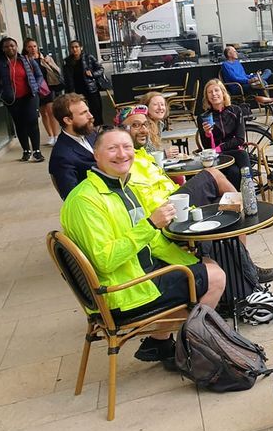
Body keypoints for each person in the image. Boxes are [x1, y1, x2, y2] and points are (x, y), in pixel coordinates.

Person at [60, 127, 226, 363]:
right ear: (96, 155)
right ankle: (192, 354)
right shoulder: (84, 201)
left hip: (135, 272)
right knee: (216, 278)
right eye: (112, 148)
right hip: (121, 292)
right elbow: (105, 260)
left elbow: (152, 242)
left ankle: (160, 343)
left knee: (207, 263)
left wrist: (191, 259)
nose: (122, 154)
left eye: (127, 147)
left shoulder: (122, 186)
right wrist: (150, 224)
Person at [118, 104, 273, 285]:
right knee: (213, 174)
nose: (143, 129)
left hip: (174, 202)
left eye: (144, 124)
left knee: (227, 209)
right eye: (135, 125)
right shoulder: (124, 162)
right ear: (122, 130)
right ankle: (249, 222)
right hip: (165, 213)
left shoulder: (143, 155)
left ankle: (245, 267)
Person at [0, 36, 45, 163]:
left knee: (32, 121)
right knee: (20, 124)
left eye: (12, 45)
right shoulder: (0, 65)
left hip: (29, 96)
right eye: (6, 46)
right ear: (3, 49)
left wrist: (36, 86)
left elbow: (39, 75)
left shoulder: (26, 60)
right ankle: (26, 151)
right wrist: (2, 91)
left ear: (16, 47)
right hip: (12, 99)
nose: (10, 48)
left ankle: (37, 151)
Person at [197, 79, 249, 189]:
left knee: (236, 169)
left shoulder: (236, 111)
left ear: (223, 93)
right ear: (207, 97)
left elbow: (240, 139)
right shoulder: (203, 117)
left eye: (217, 90)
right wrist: (207, 134)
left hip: (234, 152)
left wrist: (220, 148)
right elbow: (206, 147)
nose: (214, 94)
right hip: (218, 157)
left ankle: (246, 192)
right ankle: (248, 191)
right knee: (238, 165)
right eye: (210, 92)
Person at [50, 93, 97, 199]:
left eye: (88, 111)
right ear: (68, 120)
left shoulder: (90, 133)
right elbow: (72, 197)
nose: (90, 116)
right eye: (83, 113)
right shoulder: (62, 156)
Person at [23, 38, 64, 146]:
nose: (33, 49)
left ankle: (56, 135)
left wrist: (49, 63)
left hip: (48, 87)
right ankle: (50, 136)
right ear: (26, 48)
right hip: (36, 89)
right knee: (43, 113)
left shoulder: (45, 58)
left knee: (51, 111)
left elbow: (57, 70)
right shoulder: (25, 60)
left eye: (34, 46)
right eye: (30, 47)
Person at [63, 39, 105, 125]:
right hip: (77, 91)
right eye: (72, 47)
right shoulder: (68, 61)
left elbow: (100, 69)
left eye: (76, 47)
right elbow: (67, 78)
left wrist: (92, 74)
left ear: (81, 48)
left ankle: (98, 127)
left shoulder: (88, 58)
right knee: (81, 112)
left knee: (96, 110)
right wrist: (69, 92)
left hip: (91, 88)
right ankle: (86, 128)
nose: (74, 49)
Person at [142, 90, 180, 159]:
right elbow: (143, 156)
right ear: (146, 107)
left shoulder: (159, 124)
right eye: (155, 105)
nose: (160, 108)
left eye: (162, 104)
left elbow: (154, 151)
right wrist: (164, 154)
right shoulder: (143, 127)